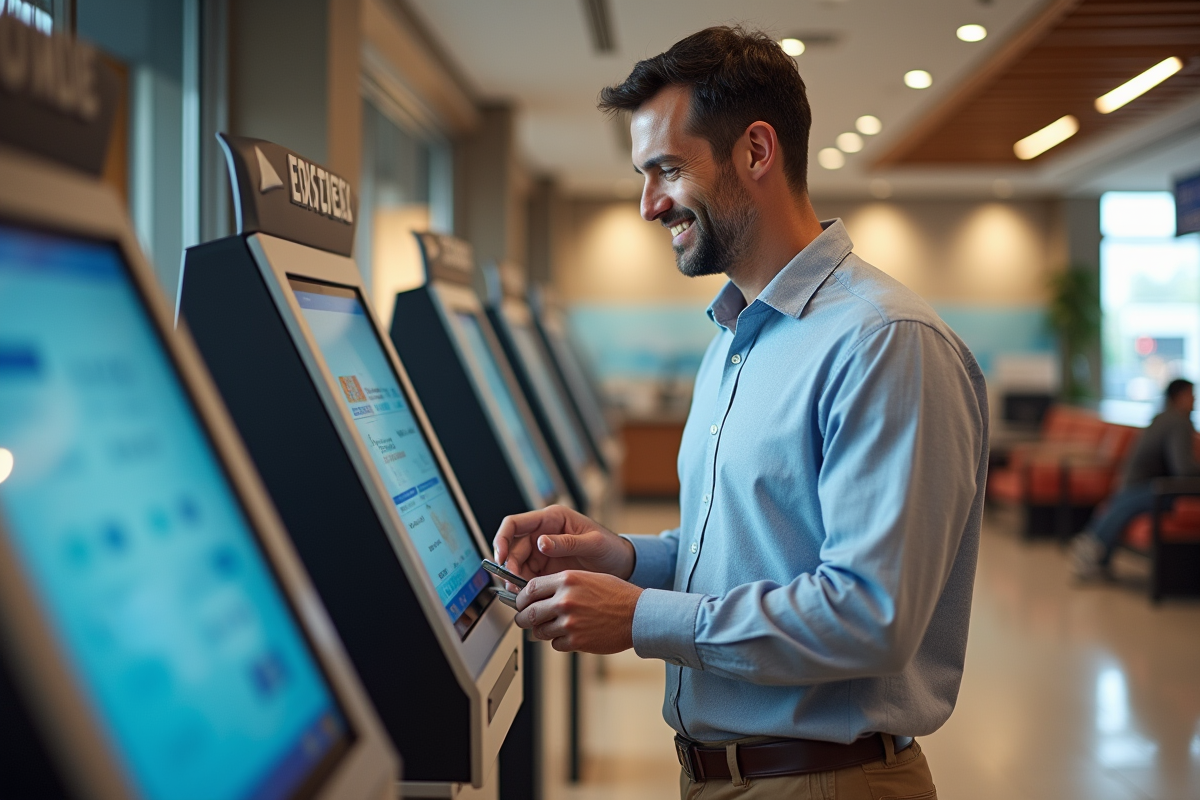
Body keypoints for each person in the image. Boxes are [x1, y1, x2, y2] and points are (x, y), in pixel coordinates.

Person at [492, 27, 988, 799]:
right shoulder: (735, 336)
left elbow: (869, 614)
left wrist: (641, 618)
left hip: (826, 780)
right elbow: (752, 549)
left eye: (665, 170)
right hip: (719, 774)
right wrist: (622, 559)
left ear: (756, 153)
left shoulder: (886, 342)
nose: (649, 204)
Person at [1071, 378, 1199, 580]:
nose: (1195, 400)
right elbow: (1183, 468)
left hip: (1140, 485)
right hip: (1152, 488)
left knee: (1123, 503)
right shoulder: (1177, 422)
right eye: (1192, 395)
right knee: (1126, 502)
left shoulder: (1161, 418)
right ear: (1180, 397)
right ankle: (1093, 550)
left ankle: (1092, 547)